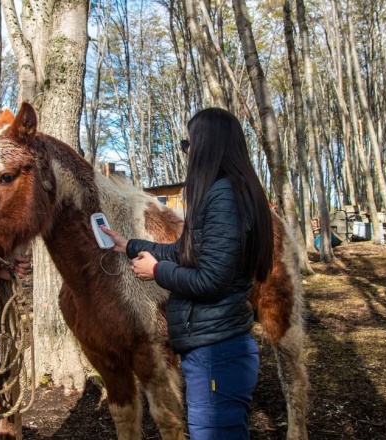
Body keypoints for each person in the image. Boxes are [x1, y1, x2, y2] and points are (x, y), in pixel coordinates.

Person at [102, 107, 273, 440]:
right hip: (217, 347)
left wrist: (156, 270)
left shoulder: (223, 197)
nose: (187, 150)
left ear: (208, 145)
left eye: (188, 142)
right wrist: (131, 245)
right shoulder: (231, 191)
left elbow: (210, 280)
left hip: (216, 352)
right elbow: (190, 253)